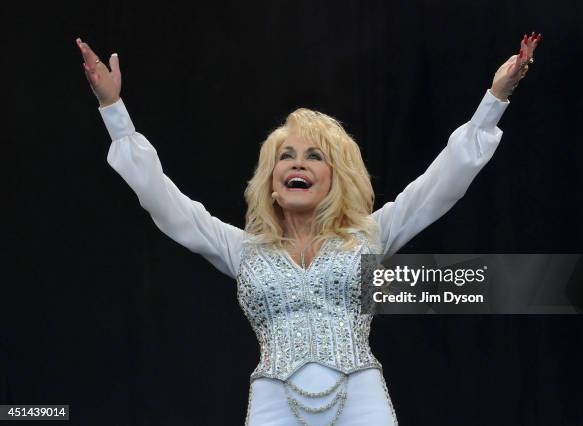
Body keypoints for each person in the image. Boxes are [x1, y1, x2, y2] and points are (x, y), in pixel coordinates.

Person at [76, 32, 541, 425]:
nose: (298, 163)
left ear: (335, 177)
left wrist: (494, 99)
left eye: (314, 156)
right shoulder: (242, 249)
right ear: (272, 183)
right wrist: (114, 110)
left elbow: (443, 183)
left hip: (360, 399)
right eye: (287, 156)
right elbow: (165, 202)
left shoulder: (369, 235)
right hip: (275, 404)